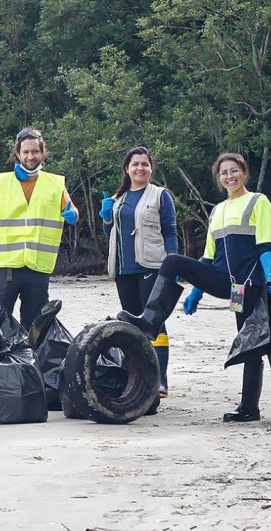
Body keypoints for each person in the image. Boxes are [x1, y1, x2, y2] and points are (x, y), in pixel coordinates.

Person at [117, 153, 271, 422]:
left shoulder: (257, 201)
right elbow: (208, 255)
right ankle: (150, 321)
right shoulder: (218, 210)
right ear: (219, 179)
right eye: (224, 173)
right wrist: (197, 290)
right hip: (220, 279)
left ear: (245, 174)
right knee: (172, 263)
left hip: (246, 285)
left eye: (234, 171)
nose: (230, 176)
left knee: (248, 341)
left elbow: (265, 243)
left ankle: (249, 407)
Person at [0, 128, 78, 329]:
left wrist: (72, 215)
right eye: (26, 152)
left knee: (34, 323)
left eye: (35, 152)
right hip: (8, 267)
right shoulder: (2, 182)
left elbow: (72, 210)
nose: (31, 156)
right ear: (17, 154)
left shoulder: (55, 184)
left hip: (38, 266)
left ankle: (33, 358)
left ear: (42, 153)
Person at [100, 146, 178, 398]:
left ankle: (159, 380)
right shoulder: (117, 199)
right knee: (132, 326)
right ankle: (137, 378)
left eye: (145, 164)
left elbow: (169, 231)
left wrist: (173, 265)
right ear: (127, 168)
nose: (140, 168)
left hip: (152, 267)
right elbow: (111, 236)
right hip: (124, 270)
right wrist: (106, 220)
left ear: (151, 168)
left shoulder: (160, 195)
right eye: (135, 164)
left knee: (154, 323)